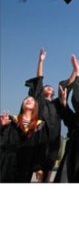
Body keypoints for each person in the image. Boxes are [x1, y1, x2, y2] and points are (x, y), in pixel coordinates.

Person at [24, 48, 63, 182]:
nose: (49, 88)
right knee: (32, 174)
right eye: (47, 87)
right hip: (38, 140)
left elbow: (67, 87)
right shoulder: (39, 101)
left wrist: (76, 71)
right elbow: (39, 79)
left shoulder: (57, 104)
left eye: (51, 88)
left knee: (46, 179)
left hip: (52, 142)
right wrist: (41, 61)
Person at [0, 96, 48, 182]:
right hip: (8, 161)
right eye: (26, 99)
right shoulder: (11, 120)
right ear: (22, 104)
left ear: (35, 106)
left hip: (26, 163)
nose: (28, 100)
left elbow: (40, 147)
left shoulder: (40, 125)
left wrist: (39, 167)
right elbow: (3, 140)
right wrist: (2, 126)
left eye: (32, 100)